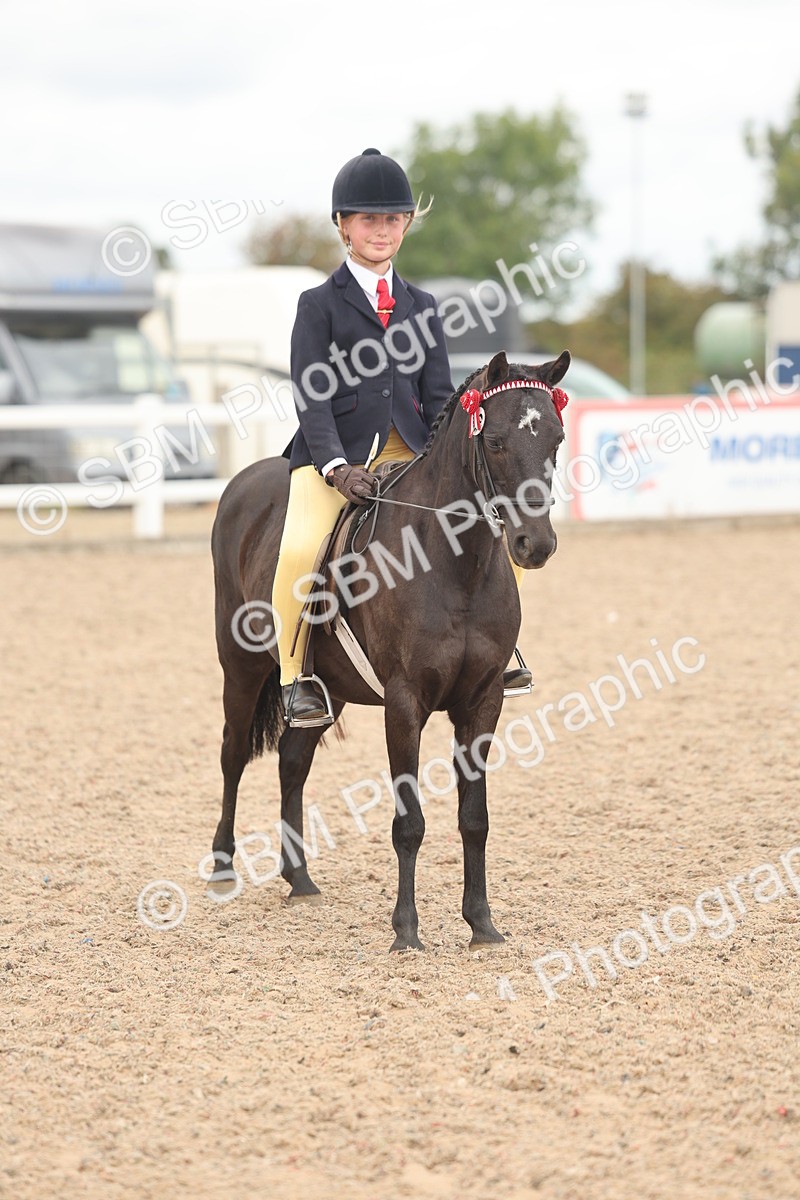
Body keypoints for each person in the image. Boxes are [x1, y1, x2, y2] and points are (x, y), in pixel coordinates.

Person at [273, 148, 531, 728]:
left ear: (407, 224)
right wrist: (336, 466)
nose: (381, 230)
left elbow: (439, 395)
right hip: (335, 454)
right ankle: (296, 679)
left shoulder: (424, 305)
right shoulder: (317, 305)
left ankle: (499, 650)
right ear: (343, 225)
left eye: (392, 219)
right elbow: (310, 395)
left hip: (412, 452)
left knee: (496, 532)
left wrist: (456, 453)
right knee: (298, 551)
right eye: (368, 220)